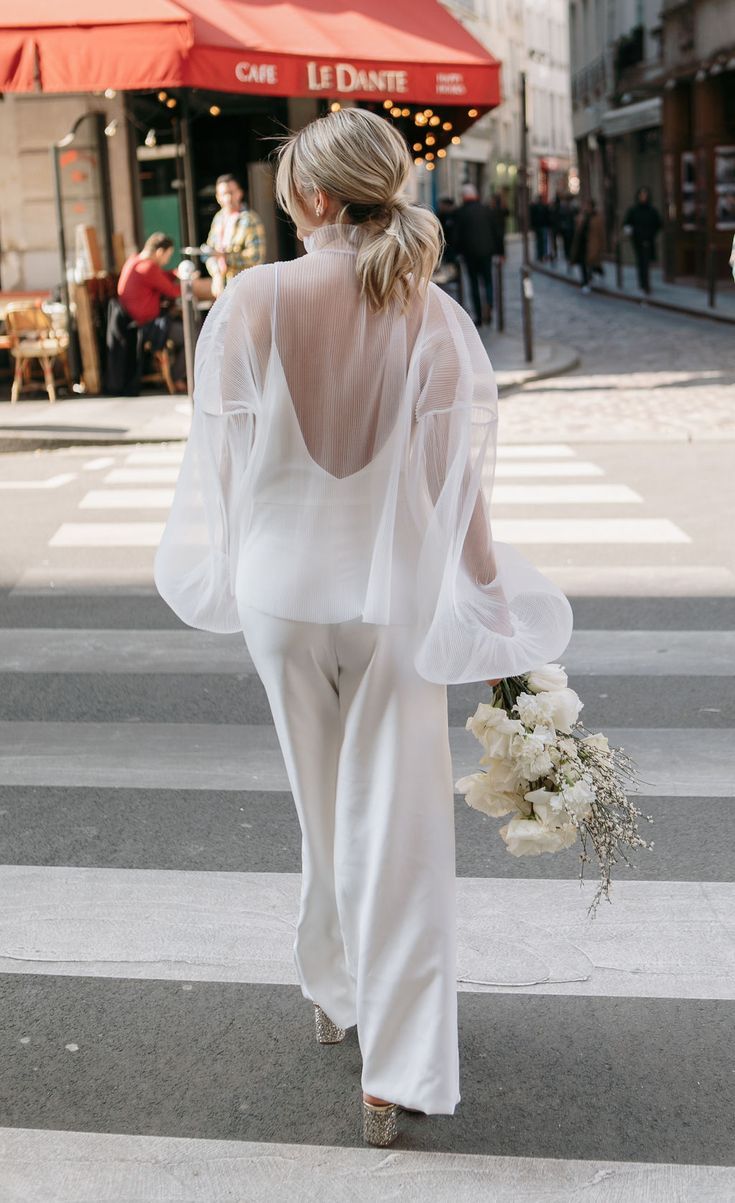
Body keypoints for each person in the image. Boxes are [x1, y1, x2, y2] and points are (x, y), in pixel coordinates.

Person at [154, 108, 572, 1148]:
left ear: (315, 197)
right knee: (403, 830)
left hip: (279, 595)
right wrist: (491, 609)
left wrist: (240, 558)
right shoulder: (428, 315)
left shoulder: (250, 299)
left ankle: (334, 987)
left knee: (322, 801)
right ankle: (397, 1070)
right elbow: (456, 490)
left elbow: (218, 474)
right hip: (393, 604)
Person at [117, 232, 187, 391]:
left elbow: (162, 276)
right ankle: (175, 377)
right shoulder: (147, 267)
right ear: (159, 252)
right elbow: (173, 291)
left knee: (182, 326)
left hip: (134, 323)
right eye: (167, 256)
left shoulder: (135, 260)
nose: (167, 260)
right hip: (148, 326)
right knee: (192, 335)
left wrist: (175, 272)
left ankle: (177, 374)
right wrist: (193, 284)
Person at [205, 174, 267, 297]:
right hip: (222, 290)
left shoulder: (250, 219)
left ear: (239, 193)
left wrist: (226, 258)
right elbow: (210, 252)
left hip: (246, 290)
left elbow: (256, 257)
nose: (228, 198)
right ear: (218, 197)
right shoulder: (218, 219)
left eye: (231, 192)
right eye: (223, 194)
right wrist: (216, 273)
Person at [453, 182, 498, 326]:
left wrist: (456, 253)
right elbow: (496, 232)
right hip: (486, 252)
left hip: (469, 254)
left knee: (474, 285)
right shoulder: (486, 210)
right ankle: (489, 304)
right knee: (488, 281)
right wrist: (500, 251)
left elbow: (456, 236)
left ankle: (479, 315)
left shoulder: (460, 212)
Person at [623, 186, 662, 296]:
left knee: (646, 262)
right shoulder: (633, 210)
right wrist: (632, 234)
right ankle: (643, 283)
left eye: (645, 195)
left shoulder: (651, 210)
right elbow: (627, 224)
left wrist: (651, 234)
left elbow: (658, 224)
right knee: (641, 262)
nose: (643, 197)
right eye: (641, 195)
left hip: (649, 240)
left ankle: (646, 284)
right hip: (637, 241)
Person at [571, 198, 605, 294]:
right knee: (583, 265)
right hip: (582, 245)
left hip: (592, 245)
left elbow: (600, 233)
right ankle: (585, 282)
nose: (586, 207)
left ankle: (594, 274)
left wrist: (601, 246)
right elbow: (578, 231)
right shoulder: (582, 216)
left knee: (591, 262)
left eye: (588, 206)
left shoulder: (597, 218)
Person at [529, 194, 551, 262]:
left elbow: (548, 216)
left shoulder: (543, 206)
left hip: (542, 226)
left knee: (542, 241)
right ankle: (541, 255)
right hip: (540, 226)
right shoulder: (536, 207)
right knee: (540, 241)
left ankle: (542, 255)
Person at [488, 192, 509, 261]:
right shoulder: (499, 209)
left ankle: (499, 256)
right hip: (500, 228)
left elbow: (507, 213)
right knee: (500, 243)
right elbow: (507, 213)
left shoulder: (493, 209)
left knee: (498, 242)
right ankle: (501, 256)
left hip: (497, 229)